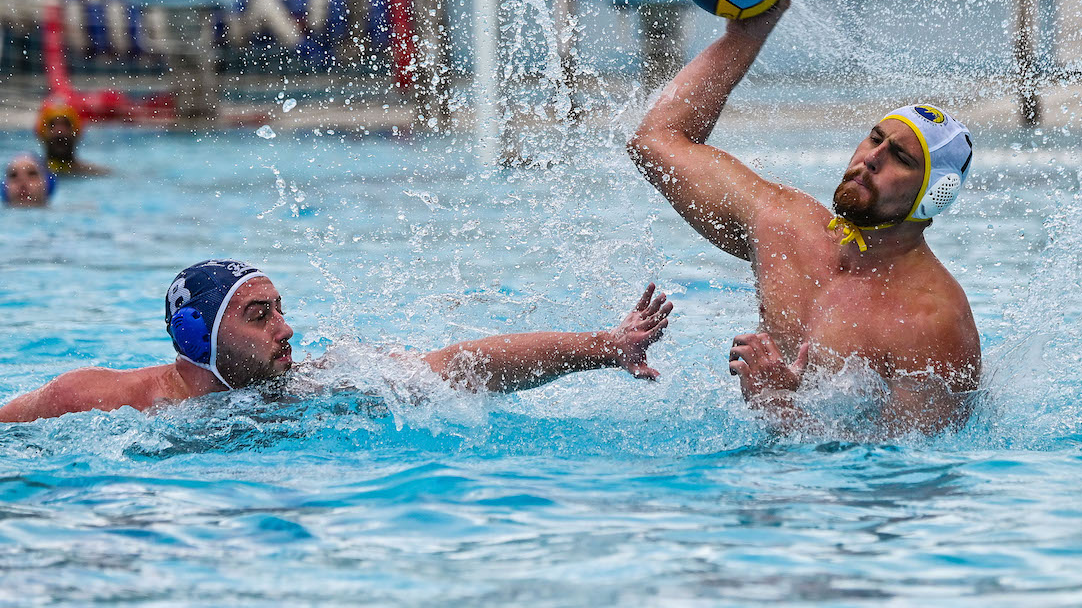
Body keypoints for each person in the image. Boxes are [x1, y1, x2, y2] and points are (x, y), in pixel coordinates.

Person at [627, 0, 979, 435]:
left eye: (902, 159)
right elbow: (655, 141)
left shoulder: (932, 322)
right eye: (875, 139)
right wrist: (746, 34)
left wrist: (779, 407)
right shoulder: (783, 225)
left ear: (935, 196)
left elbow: (907, 467)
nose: (871, 159)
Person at [0, 259, 673, 422]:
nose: (286, 328)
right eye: (259, 315)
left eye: (280, 310)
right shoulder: (93, 400)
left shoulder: (313, 384)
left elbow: (458, 367)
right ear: (197, 335)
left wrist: (601, 347)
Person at [36, 97, 111, 176]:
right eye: (52, 125)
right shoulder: (32, 173)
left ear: (77, 133)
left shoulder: (94, 173)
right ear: (42, 134)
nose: (59, 132)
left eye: (66, 125)